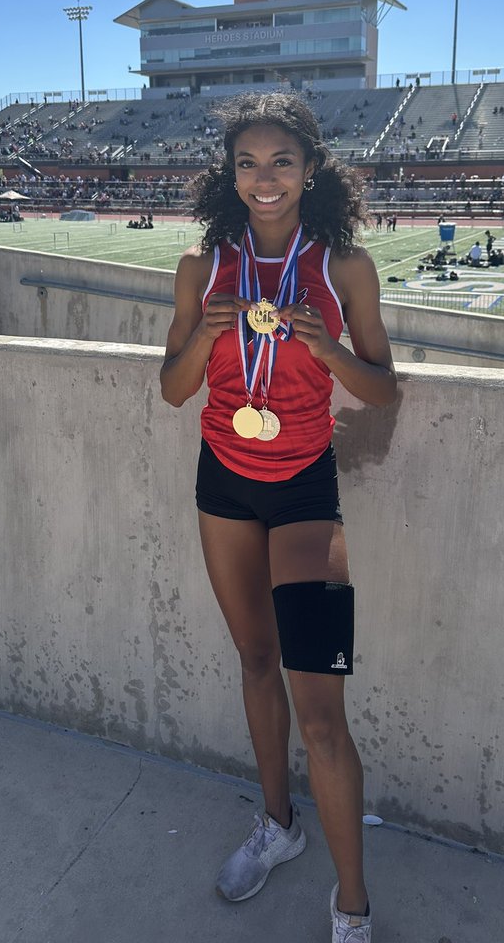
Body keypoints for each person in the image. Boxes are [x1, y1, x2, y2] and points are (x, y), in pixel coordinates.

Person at [160, 92, 396, 942]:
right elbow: (173, 386)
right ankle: (277, 826)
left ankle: (353, 907)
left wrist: (326, 348)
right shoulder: (200, 266)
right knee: (256, 661)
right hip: (223, 480)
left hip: (304, 490)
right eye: (248, 164)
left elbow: (381, 387)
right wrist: (203, 336)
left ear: (310, 172)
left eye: (282, 162)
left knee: (323, 713)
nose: (265, 179)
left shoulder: (344, 268)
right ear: (228, 176)